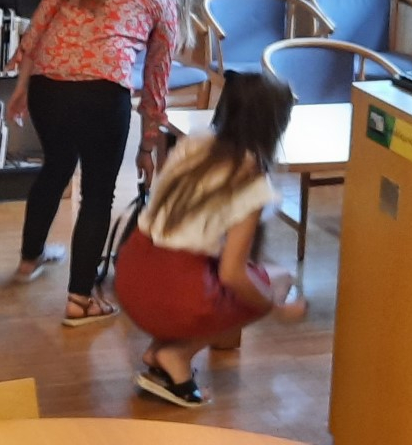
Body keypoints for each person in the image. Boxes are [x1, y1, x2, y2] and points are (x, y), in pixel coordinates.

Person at [8, 0, 196, 326]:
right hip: (102, 93)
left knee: (56, 166)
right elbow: (157, 80)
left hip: (47, 87)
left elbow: (37, 28)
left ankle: (29, 259)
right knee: (97, 194)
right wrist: (148, 145)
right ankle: (80, 300)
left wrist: (22, 85)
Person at [115, 71, 308, 408]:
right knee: (272, 282)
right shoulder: (251, 182)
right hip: (173, 292)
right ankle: (177, 355)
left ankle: (160, 350)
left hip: (131, 276)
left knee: (213, 271)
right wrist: (274, 308)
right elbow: (232, 274)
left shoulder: (194, 143)